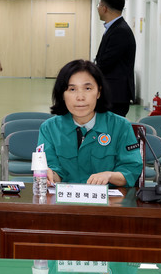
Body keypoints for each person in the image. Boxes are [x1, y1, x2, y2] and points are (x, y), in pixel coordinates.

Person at [38, 59, 142, 187]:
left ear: (98, 92)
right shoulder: (49, 128)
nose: (80, 97)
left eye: (87, 88)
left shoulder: (120, 126)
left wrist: (109, 175)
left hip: (109, 198)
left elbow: (131, 169)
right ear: (62, 95)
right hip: (65, 198)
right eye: (72, 89)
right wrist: (49, 175)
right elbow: (53, 169)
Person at [95, 0, 136, 117]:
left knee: (111, 128)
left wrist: (85, 71)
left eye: (99, 5)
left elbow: (105, 63)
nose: (98, 8)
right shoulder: (115, 28)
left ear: (104, 8)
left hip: (115, 95)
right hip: (112, 93)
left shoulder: (120, 31)